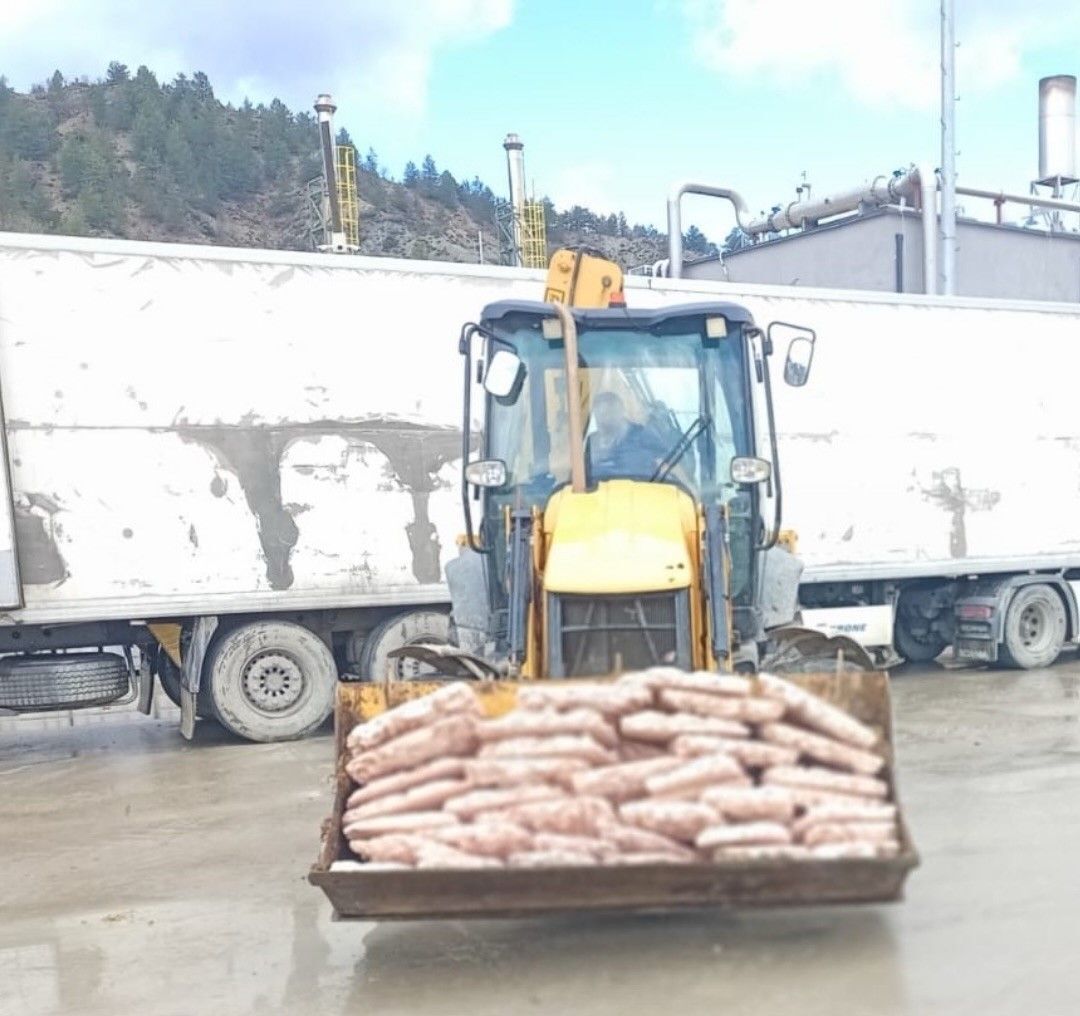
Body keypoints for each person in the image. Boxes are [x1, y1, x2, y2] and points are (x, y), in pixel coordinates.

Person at [587, 391, 668, 480]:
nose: (604, 419)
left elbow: (665, 468)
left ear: (621, 411)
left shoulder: (644, 435)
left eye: (609, 413)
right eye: (600, 414)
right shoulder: (590, 442)